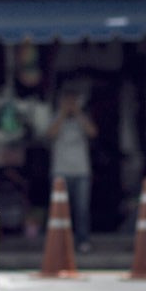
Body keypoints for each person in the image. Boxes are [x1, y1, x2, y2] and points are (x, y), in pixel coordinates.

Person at [46, 83, 98, 254]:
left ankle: (82, 241)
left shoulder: (83, 117)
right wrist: (62, 113)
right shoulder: (55, 117)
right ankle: (59, 242)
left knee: (81, 210)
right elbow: (50, 134)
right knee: (59, 209)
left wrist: (77, 113)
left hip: (81, 170)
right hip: (60, 171)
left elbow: (92, 132)